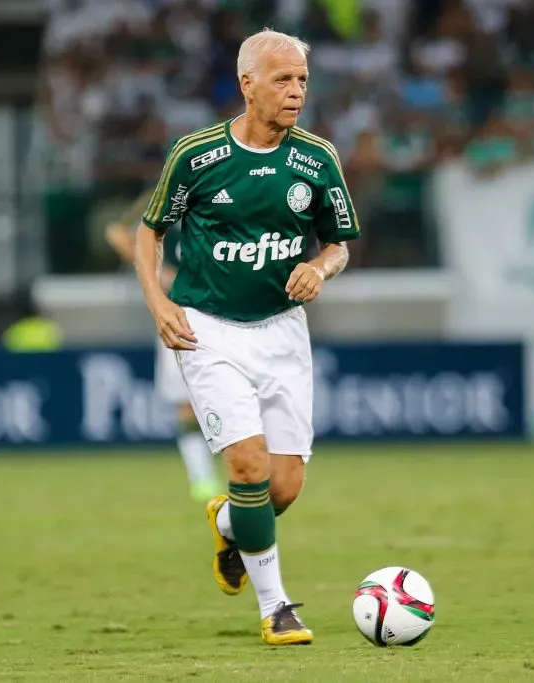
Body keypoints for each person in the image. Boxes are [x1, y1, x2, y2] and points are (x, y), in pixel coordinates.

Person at [133, 29, 360, 646]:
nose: (295, 92)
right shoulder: (197, 155)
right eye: (283, 80)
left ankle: (231, 524)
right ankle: (276, 607)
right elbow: (150, 233)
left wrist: (318, 268)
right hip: (207, 328)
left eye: (303, 81)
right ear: (247, 84)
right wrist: (158, 301)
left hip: (282, 331)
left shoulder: (316, 160)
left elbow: (337, 244)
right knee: (248, 463)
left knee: (280, 487)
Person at [105, 194, 221, 502]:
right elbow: (121, 234)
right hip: (180, 316)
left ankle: (247, 469)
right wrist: (154, 269)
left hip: (228, 315)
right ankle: (202, 478)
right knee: (185, 404)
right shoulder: (165, 206)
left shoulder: (230, 194)